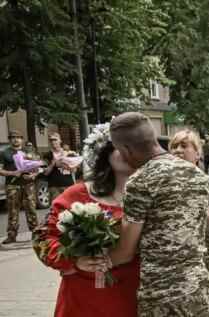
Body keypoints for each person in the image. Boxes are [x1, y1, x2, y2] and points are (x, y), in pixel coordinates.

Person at [106, 112, 209, 316]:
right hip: (197, 288)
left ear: (126, 149)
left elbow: (125, 252)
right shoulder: (196, 174)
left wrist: (94, 260)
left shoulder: (140, 181)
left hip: (162, 295)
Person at [33, 123, 140, 317]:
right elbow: (42, 237)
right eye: (119, 145)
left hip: (133, 296)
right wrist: (73, 260)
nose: (127, 151)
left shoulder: (154, 196)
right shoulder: (78, 193)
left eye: (133, 145)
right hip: (83, 298)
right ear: (104, 152)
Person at [169, 130, 209, 316]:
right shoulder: (163, 185)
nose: (178, 150)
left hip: (204, 258)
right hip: (173, 260)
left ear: (198, 153)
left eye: (184, 146)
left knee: (205, 308)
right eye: (174, 147)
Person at [0, 130, 39, 244]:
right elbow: (0, 169)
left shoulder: (29, 151)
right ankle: (11, 235)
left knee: (31, 209)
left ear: (22, 139)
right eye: (13, 137)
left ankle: (35, 233)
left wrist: (33, 175)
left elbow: (37, 167)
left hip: (28, 185)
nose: (16, 139)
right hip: (13, 185)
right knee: (12, 210)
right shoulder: (5, 153)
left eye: (18, 137)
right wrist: (12, 173)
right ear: (10, 139)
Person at [43, 132, 78, 203]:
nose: (53, 142)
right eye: (51, 140)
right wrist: (53, 164)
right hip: (54, 186)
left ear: (60, 140)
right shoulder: (47, 155)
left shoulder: (69, 153)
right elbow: (45, 173)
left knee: (70, 208)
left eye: (55, 140)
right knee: (56, 209)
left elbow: (74, 170)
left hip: (68, 185)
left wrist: (64, 164)